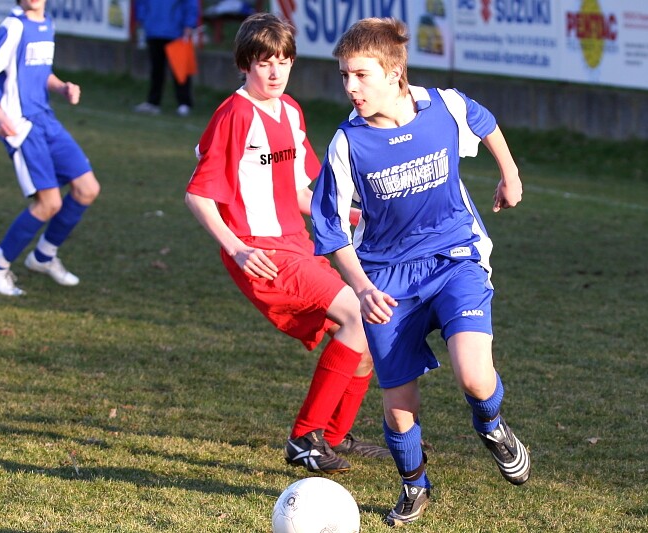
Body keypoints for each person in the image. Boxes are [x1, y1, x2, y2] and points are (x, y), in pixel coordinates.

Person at [310, 18, 531, 527]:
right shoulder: (348, 143)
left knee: (475, 377)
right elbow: (330, 229)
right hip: (386, 281)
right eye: (344, 75)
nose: (350, 87)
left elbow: (483, 120)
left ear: (394, 72)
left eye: (361, 75)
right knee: (399, 406)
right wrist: (362, 289)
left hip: (454, 258)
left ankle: (492, 425)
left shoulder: (444, 107)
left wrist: (510, 174)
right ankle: (415, 485)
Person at [184, 13, 390, 474]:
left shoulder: (290, 110)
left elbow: (299, 191)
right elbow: (197, 194)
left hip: (297, 244)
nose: (275, 72)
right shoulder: (235, 114)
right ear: (245, 64)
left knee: (366, 332)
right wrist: (237, 248)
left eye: (283, 61)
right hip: (261, 251)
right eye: (264, 63)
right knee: (358, 315)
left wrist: (358, 216)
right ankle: (304, 438)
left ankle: (332, 437)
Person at [0, 0, 100, 297]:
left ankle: (43, 256)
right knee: (49, 203)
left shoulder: (47, 24)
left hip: (47, 120)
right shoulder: (13, 26)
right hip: (22, 125)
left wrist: (62, 87)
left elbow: (41, 73)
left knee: (87, 188)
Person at [134, 0, 198, 117]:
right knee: (156, 70)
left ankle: (184, 103)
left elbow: (190, 3)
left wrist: (189, 23)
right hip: (153, 30)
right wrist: (142, 19)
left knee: (180, 70)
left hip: (176, 31)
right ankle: (153, 102)